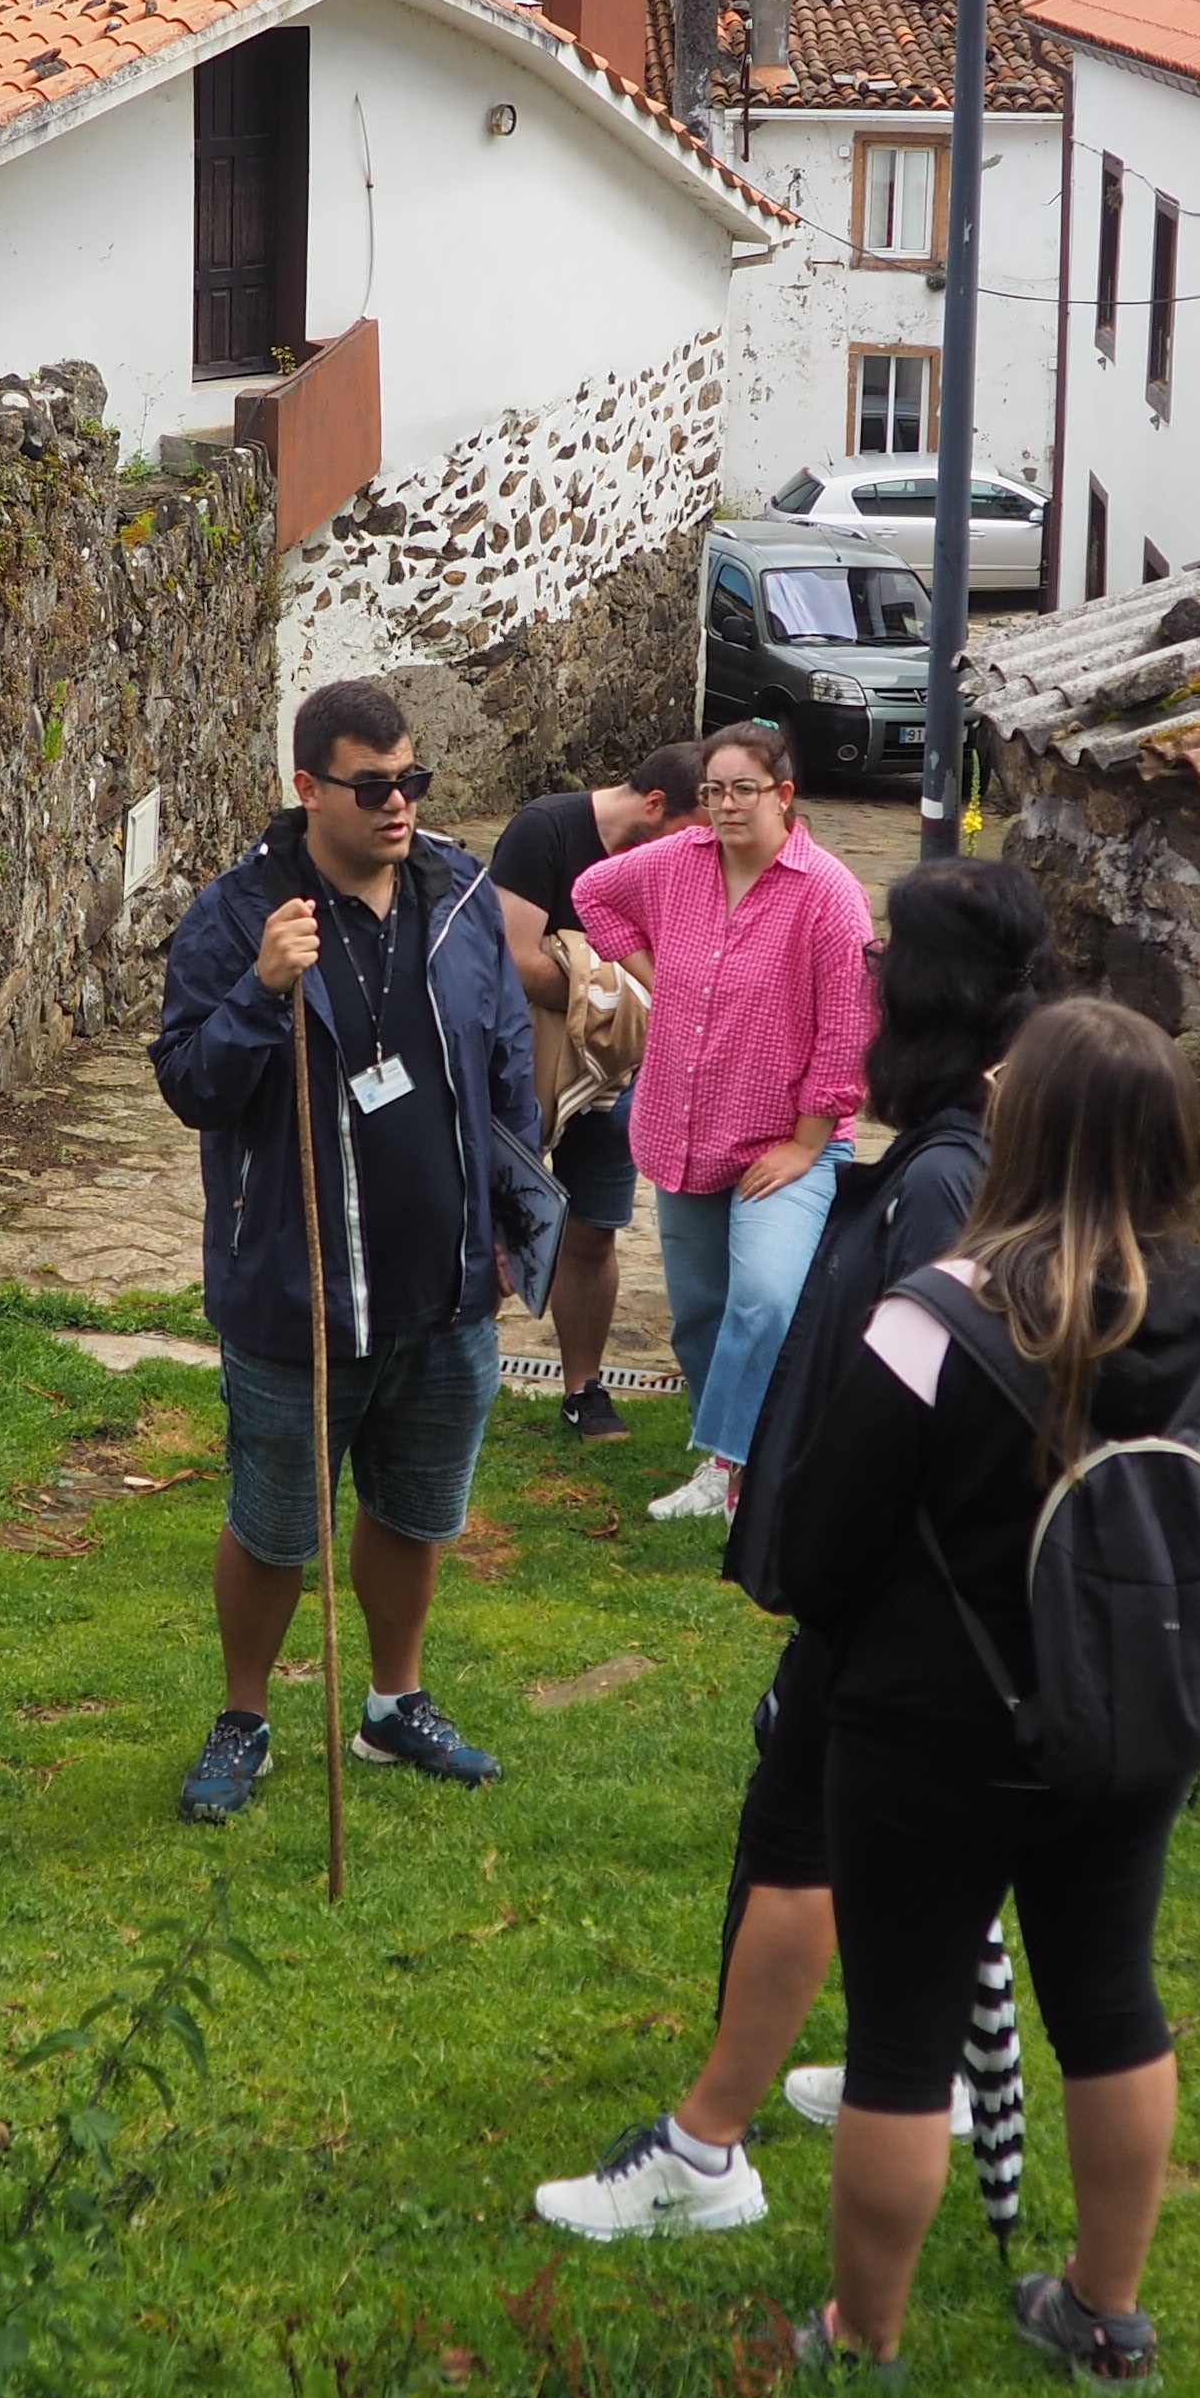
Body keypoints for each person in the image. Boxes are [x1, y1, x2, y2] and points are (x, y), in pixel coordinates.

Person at [530, 859, 1055, 2242]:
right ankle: (926, 2067)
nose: (868, 975)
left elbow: (940, 1413)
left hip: (899, 1605)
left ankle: (708, 2154)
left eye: (890, 955)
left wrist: (832, 1585)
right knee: (878, 1846)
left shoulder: (947, 1176)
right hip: (921, 1600)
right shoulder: (963, 1141)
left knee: (796, 1843)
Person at [771, 999, 1200, 2387]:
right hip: (1124, 1715)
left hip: (930, 1731)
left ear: (1020, 1130)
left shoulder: (932, 1320)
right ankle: (1108, 2311)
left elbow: (820, 1548)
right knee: (1111, 2000)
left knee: (906, 2033)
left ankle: (863, 2335)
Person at [153, 679, 561, 1823]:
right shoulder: (239, 918)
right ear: (308, 787)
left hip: (446, 1292)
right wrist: (260, 989)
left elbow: (501, 1068)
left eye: (412, 782)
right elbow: (191, 1085)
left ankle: (394, 1703)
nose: (399, 806)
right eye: (374, 786)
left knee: (418, 1512)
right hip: (300, 1292)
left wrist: (510, 1224)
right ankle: (245, 1718)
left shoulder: (461, 891)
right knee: (277, 1527)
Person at [573, 720, 876, 1525]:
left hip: (788, 1141)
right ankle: (724, 1464)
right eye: (714, 791)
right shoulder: (678, 862)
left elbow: (849, 1029)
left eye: (745, 789)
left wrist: (810, 1140)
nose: (727, 806)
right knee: (703, 1310)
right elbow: (592, 893)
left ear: (783, 795)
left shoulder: (828, 895)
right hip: (684, 1124)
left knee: (767, 1301)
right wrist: (656, 972)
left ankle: (738, 1465)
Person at [489, 747, 705, 1437]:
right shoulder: (545, 831)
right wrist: (614, 992)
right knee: (489, 1223)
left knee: (592, 1233)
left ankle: (584, 1389)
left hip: (617, 1079)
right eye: (688, 830)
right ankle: (453, 1370)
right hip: (520, 1069)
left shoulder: (678, 863)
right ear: (653, 806)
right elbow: (513, 957)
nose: (696, 853)